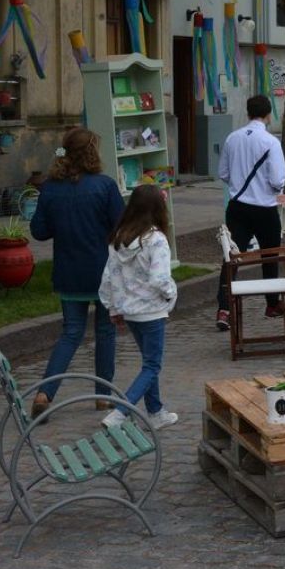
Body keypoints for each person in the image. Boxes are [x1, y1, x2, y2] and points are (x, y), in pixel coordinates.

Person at [29, 127, 125, 416]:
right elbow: (120, 226)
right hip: (102, 271)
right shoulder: (105, 186)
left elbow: (39, 231)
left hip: (68, 270)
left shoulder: (50, 188)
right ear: (92, 152)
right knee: (106, 331)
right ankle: (102, 394)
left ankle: (45, 393)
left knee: (71, 333)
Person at [97, 184, 178, 430]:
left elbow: (108, 277)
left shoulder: (119, 237)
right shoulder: (156, 240)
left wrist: (112, 308)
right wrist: (172, 294)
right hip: (151, 311)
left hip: (129, 311)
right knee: (152, 365)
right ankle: (121, 412)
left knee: (148, 362)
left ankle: (155, 412)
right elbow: (160, 278)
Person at [215, 95, 285, 332]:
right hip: (265, 208)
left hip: (237, 207)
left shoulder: (232, 138)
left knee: (231, 258)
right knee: (270, 256)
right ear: (268, 115)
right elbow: (278, 180)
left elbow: (223, 174)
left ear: (248, 113)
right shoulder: (270, 142)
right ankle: (272, 303)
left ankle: (224, 309)